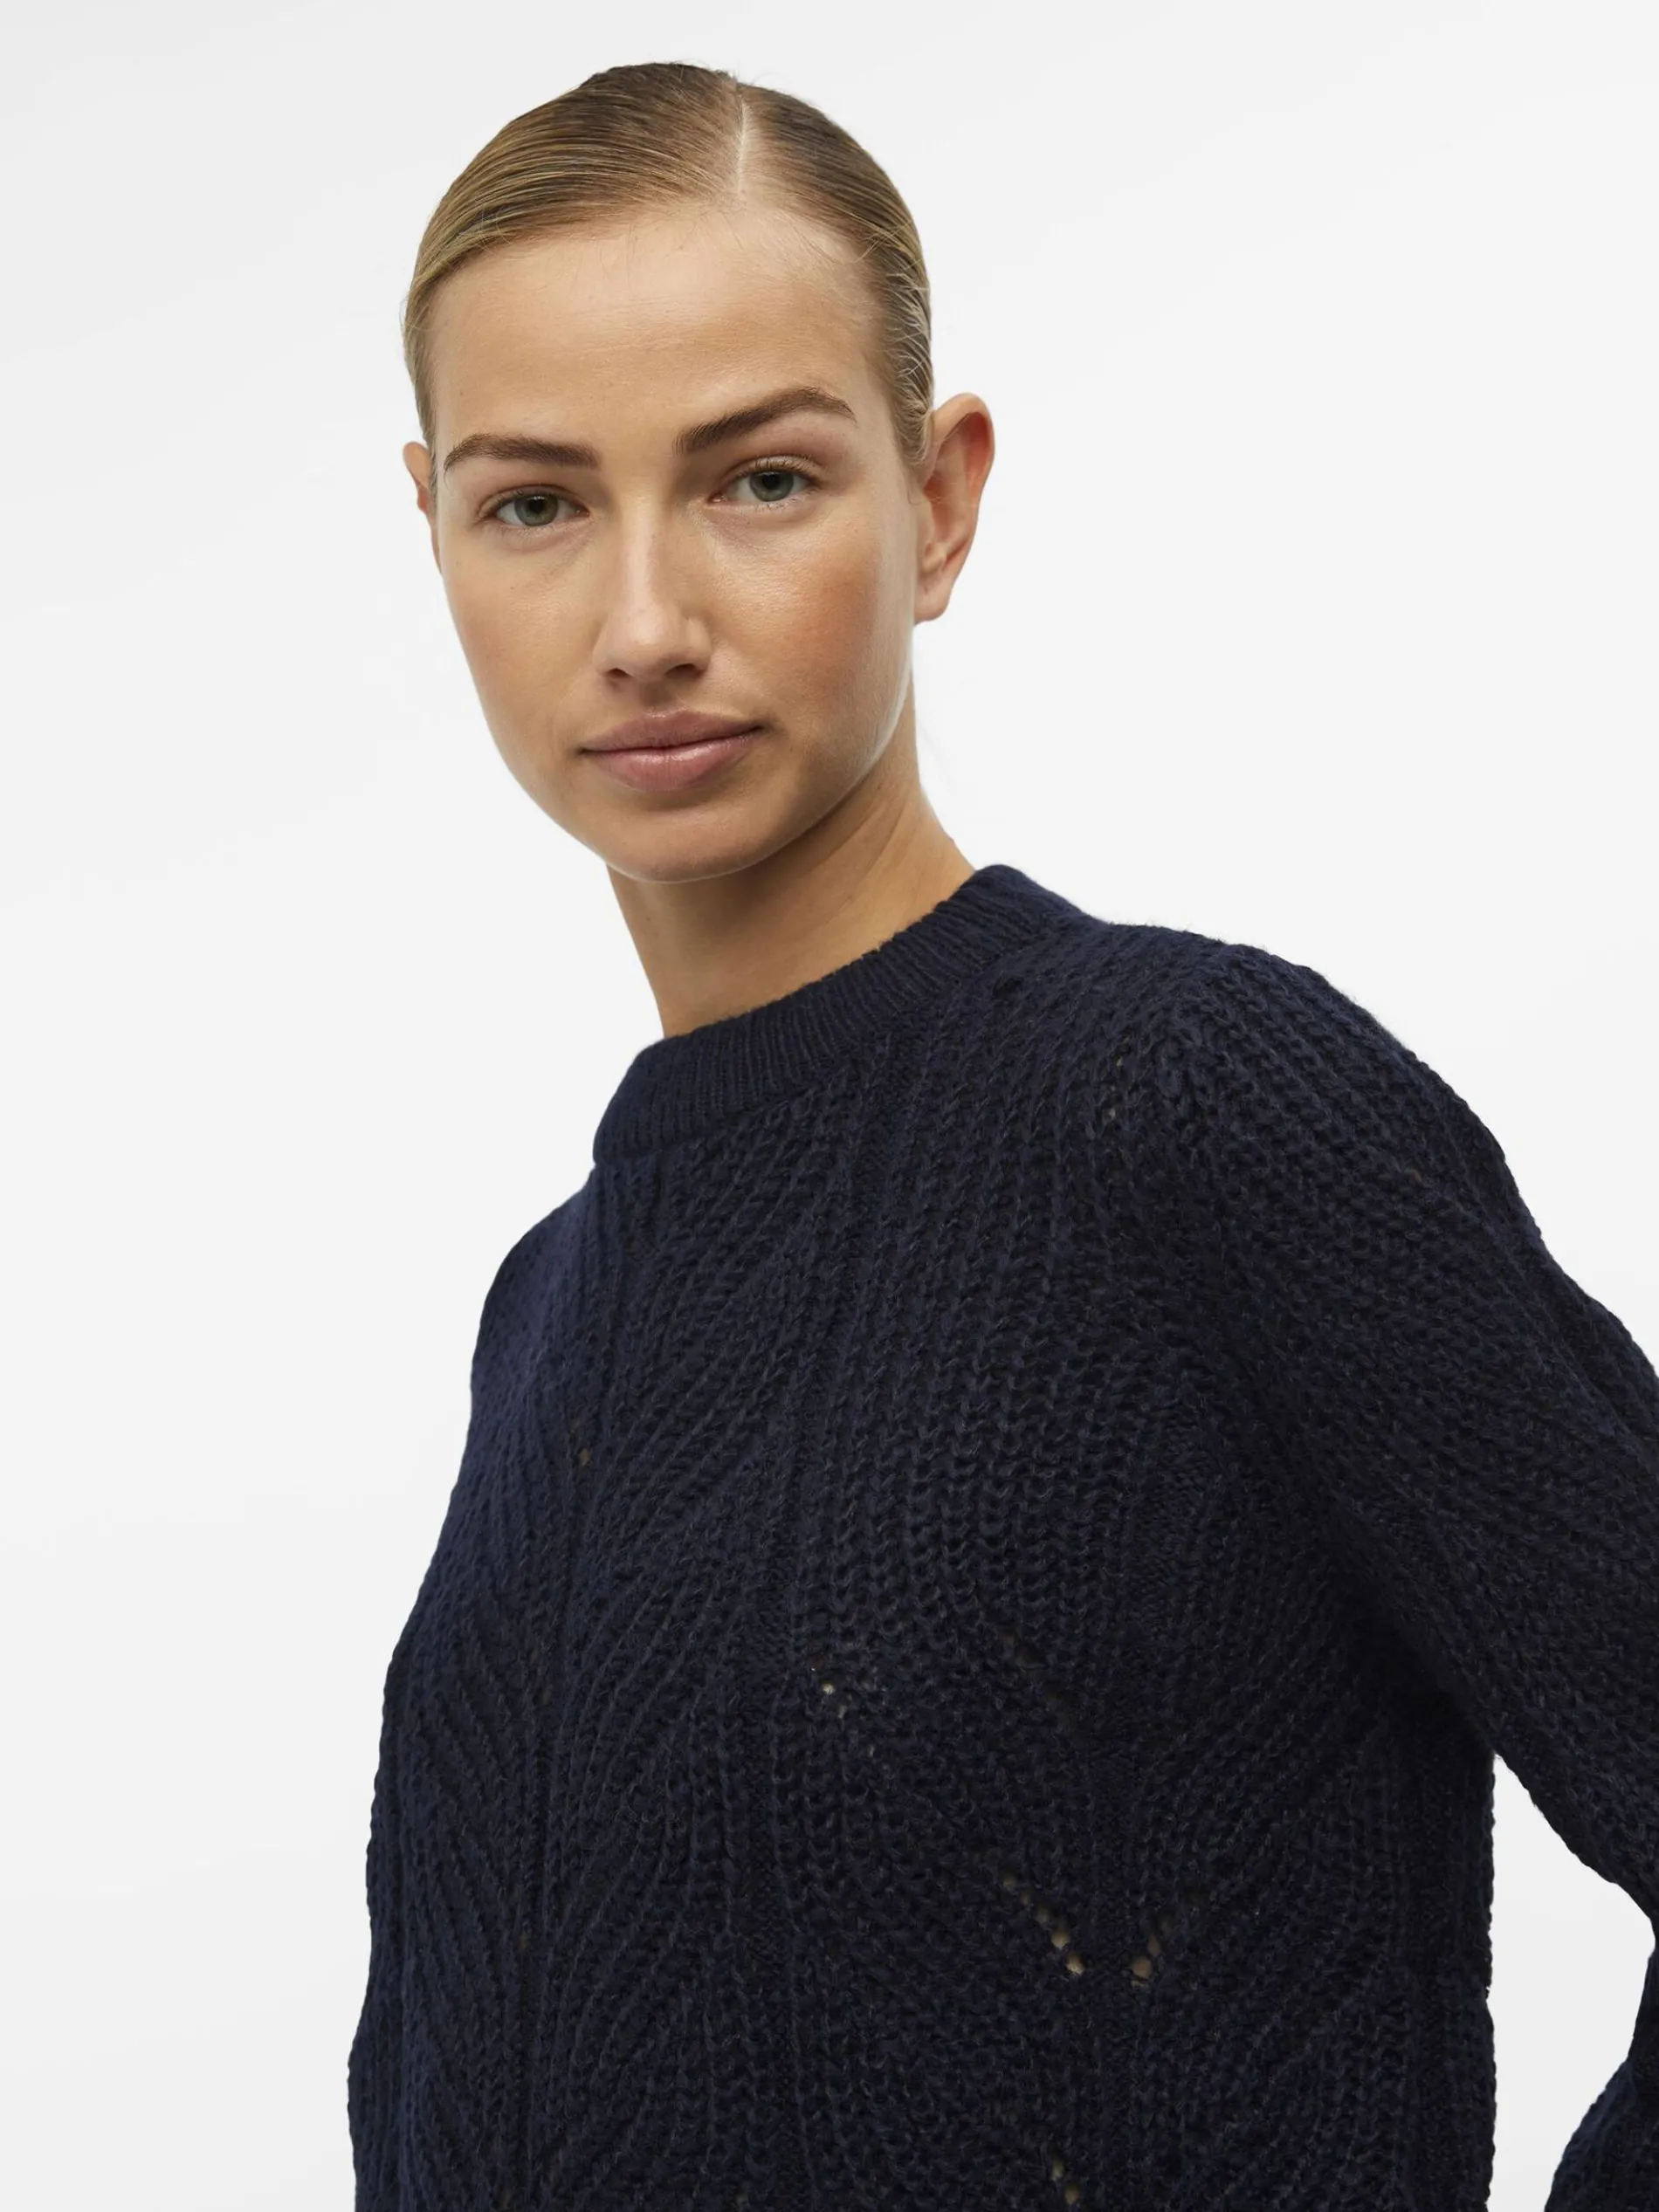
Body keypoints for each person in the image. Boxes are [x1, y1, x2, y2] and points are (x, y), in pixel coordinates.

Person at [346, 59, 1659, 2212]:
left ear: (937, 501)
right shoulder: (550, 1308)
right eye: (534, 505)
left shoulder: (1200, 1113)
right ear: (433, 531)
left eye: (761, 479)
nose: (646, 621)